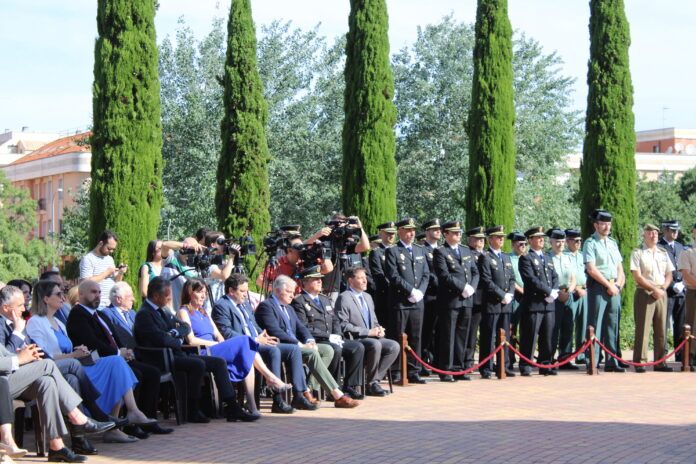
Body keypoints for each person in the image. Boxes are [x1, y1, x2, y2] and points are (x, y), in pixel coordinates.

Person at [26, 280, 155, 444]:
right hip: (62, 369)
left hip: (78, 365)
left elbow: (71, 348)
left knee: (116, 364)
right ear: (45, 298)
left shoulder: (58, 322)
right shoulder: (36, 322)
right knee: (115, 364)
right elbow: (45, 356)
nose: (63, 297)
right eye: (58, 294)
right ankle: (121, 417)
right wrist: (73, 355)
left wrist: (80, 351)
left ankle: (122, 418)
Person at [2, 285, 108, 455]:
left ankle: (56, 446)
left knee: (48, 381)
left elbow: (33, 350)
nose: (24, 308)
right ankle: (81, 417)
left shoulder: (23, 323)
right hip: (6, 380)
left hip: (23, 374)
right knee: (50, 365)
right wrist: (18, 336)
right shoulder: (13, 325)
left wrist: (28, 351)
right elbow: (8, 357)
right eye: (20, 305)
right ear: (6, 307)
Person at [133, 277, 255, 423]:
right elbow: (161, 339)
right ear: (155, 296)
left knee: (219, 363)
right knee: (198, 365)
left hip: (176, 353)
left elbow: (185, 327)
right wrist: (176, 339)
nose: (170, 298)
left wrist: (174, 334)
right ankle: (192, 409)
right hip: (160, 358)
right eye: (167, 295)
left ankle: (232, 406)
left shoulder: (163, 311)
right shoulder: (144, 314)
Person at [176, 278, 291, 419]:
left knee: (246, 354)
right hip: (203, 351)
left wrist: (224, 345)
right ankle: (270, 378)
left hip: (216, 349)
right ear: (190, 292)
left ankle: (253, 406)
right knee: (246, 341)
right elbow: (191, 340)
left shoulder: (204, 312)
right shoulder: (184, 312)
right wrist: (218, 345)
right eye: (200, 292)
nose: (203, 296)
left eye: (205, 293)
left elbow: (218, 335)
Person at [0, 340, 115, 463]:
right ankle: (78, 418)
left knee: (46, 382)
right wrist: (18, 359)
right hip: (3, 383)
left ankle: (56, 446)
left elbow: (5, 355)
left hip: (9, 378)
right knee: (47, 364)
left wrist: (26, 356)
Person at [255, 275, 359, 408]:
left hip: (296, 344)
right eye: (288, 292)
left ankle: (308, 387)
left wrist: (310, 340)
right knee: (312, 353)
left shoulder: (288, 308)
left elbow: (301, 328)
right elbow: (275, 331)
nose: (292, 295)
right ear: (276, 290)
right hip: (282, 345)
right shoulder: (266, 306)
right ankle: (335, 394)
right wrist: (299, 344)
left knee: (327, 350)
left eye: (293, 292)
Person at [211, 274, 303, 414]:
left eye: (246, 291)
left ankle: (298, 395)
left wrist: (265, 336)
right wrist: (254, 340)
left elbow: (255, 326)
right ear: (231, 291)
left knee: (293, 349)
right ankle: (277, 399)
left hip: (258, 342)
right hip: (242, 346)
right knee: (274, 351)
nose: (245, 294)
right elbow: (227, 333)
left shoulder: (245, 305)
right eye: (242, 291)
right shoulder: (221, 306)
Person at [99, 282, 173, 437]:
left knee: (152, 373)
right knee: (137, 375)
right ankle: (130, 424)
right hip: (121, 357)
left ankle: (148, 419)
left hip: (138, 354)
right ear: (118, 299)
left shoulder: (133, 313)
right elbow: (114, 337)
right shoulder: (107, 314)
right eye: (129, 296)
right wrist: (123, 351)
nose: (133, 298)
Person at [291, 266, 365, 399]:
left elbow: (335, 319)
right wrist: (328, 336)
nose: (320, 282)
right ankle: (333, 389)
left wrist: (337, 334)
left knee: (357, 347)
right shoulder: (299, 301)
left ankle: (350, 385)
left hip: (332, 338)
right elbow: (303, 327)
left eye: (320, 279)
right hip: (317, 339)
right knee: (335, 349)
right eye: (315, 280)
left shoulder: (325, 299)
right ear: (305, 283)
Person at [336, 267, 398, 396]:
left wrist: (379, 329)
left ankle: (374, 380)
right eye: (360, 278)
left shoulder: (368, 297)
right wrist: (368, 332)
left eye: (365, 278)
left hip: (373, 336)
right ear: (350, 281)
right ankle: (371, 384)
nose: (365, 281)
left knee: (394, 346)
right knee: (375, 344)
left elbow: (374, 320)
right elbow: (343, 325)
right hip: (355, 338)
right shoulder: (344, 298)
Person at [384, 218, 430, 384]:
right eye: (407, 230)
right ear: (400, 232)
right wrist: (410, 290)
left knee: (416, 336)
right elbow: (393, 276)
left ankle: (413, 370)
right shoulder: (393, 251)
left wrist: (420, 292)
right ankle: (396, 370)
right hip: (401, 301)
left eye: (413, 230)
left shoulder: (420, 250)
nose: (411, 233)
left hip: (417, 301)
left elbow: (426, 274)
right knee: (398, 336)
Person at [432, 220, 479, 382]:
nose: (458, 235)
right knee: (448, 335)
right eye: (454, 232)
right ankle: (446, 369)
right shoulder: (441, 252)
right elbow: (444, 276)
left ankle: (459, 368)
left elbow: (475, 272)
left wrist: (471, 287)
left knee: (462, 335)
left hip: (467, 299)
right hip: (451, 300)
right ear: (446, 234)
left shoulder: (466, 251)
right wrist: (463, 287)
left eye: (459, 232)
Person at [583, 209, 626, 372]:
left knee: (612, 325)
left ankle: (611, 362)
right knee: (595, 324)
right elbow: (591, 269)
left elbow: (620, 268)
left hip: (614, 288)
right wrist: (609, 286)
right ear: (596, 225)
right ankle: (592, 361)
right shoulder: (590, 243)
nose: (607, 227)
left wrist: (618, 285)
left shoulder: (613, 243)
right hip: (599, 288)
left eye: (608, 223)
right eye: (603, 224)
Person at [630, 224, 674, 373]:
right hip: (645, 293)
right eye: (650, 232)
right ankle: (640, 362)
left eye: (656, 233)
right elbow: (637, 275)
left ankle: (660, 362)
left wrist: (662, 289)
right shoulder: (638, 253)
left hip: (661, 293)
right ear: (644, 234)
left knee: (662, 329)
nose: (654, 235)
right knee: (643, 329)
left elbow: (669, 274)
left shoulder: (663, 252)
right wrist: (653, 289)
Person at [518, 226, 559, 376]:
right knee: (530, 335)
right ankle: (526, 364)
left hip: (548, 304)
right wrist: (548, 292)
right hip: (534, 304)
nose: (542, 239)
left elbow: (554, 276)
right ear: (530, 240)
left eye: (542, 237)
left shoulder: (547, 257)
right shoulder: (526, 258)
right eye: (538, 237)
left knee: (547, 335)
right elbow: (530, 280)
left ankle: (545, 364)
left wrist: (554, 291)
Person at [478, 225, 516, 378]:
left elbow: (512, 278)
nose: (501, 239)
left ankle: (503, 365)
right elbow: (486, 281)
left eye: (502, 236)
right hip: (492, 303)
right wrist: (502, 295)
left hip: (506, 304)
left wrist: (510, 293)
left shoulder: (505, 257)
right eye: (497, 236)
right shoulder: (485, 257)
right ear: (490, 239)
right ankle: (486, 368)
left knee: (505, 336)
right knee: (489, 336)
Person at [547, 228, 577, 368]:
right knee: (553, 329)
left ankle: (565, 359)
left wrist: (569, 292)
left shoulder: (568, 257)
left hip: (568, 295)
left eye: (562, 241)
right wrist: (558, 294)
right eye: (557, 241)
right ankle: (549, 358)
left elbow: (573, 278)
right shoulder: (547, 258)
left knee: (568, 328)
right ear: (551, 242)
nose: (560, 244)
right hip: (554, 296)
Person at [658, 220, 686, 361]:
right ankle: (662, 356)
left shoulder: (680, 246)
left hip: (681, 291)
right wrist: (670, 285)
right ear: (666, 230)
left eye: (676, 230)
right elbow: (658, 271)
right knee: (663, 325)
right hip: (666, 292)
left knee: (681, 325)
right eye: (672, 230)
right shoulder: (659, 247)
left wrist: (683, 283)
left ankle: (680, 356)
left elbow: (684, 267)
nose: (675, 233)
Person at [79, 230, 127, 308]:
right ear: (101, 243)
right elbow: (84, 283)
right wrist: (106, 273)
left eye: (113, 249)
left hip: (111, 304)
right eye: (109, 248)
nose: (111, 251)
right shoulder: (88, 259)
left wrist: (121, 272)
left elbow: (116, 281)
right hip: (97, 304)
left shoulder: (110, 259)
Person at [464, 226, 486, 372]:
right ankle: (467, 361)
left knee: (487, 333)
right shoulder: (468, 254)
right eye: (477, 238)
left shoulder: (487, 254)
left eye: (482, 238)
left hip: (488, 300)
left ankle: (485, 363)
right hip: (474, 298)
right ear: (470, 240)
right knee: (470, 333)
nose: (480, 241)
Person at [368, 221, 396, 333]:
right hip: (385, 294)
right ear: (381, 234)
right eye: (388, 233)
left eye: (393, 233)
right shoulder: (376, 252)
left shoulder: (398, 250)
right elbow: (378, 274)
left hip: (399, 295)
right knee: (386, 326)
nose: (391, 236)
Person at [565, 229, 588, 365]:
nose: (579, 243)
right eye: (576, 240)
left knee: (583, 325)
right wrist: (576, 288)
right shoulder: (565, 256)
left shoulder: (582, 256)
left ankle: (580, 355)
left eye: (580, 241)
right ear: (568, 241)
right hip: (572, 293)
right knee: (568, 325)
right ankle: (566, 355)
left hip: (584, 292)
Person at [420, 219, 441, 370]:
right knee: (426, 330)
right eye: (434, 229)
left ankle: (436, 361)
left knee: (439, 331)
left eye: (439, 229)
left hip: (443, 296)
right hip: (429, 295)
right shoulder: (422, 250)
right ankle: (421, 361)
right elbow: (427, 273)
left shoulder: (442, 250)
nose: (438, 231)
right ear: (427, 232)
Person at [678, 223, 696, 368]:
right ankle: (692, 356)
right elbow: (686, 274)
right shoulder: (687, 251)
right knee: (693, 325)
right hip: (693, 292)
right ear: (694, 232)